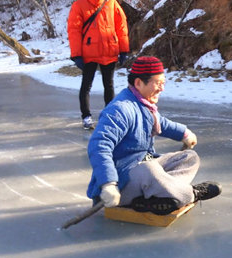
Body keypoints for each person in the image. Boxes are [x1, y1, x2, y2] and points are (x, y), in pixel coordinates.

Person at [86, 56, 222, 215]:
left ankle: (155, 199)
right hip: (120, 184)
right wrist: (108, 183)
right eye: (158, 83)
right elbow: (99, 146)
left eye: (163, 83)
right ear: (138, 83)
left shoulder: (144, 104)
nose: (162, 88)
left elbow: (160, 123)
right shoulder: (120, 109)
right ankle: (190, 193)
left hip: (142, 168)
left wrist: (184, 133)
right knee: (149, 170)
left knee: (189, 157)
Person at [67, 0, 130, 129]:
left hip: (109, 50)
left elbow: (121, 27)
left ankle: (110, 115)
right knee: (86, 85)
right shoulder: (79, 5)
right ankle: (86, 117)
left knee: (109, 84)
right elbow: (73, 30)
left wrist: (123, 50)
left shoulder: (111, 3)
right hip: (89, 53)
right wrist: (76, 55)